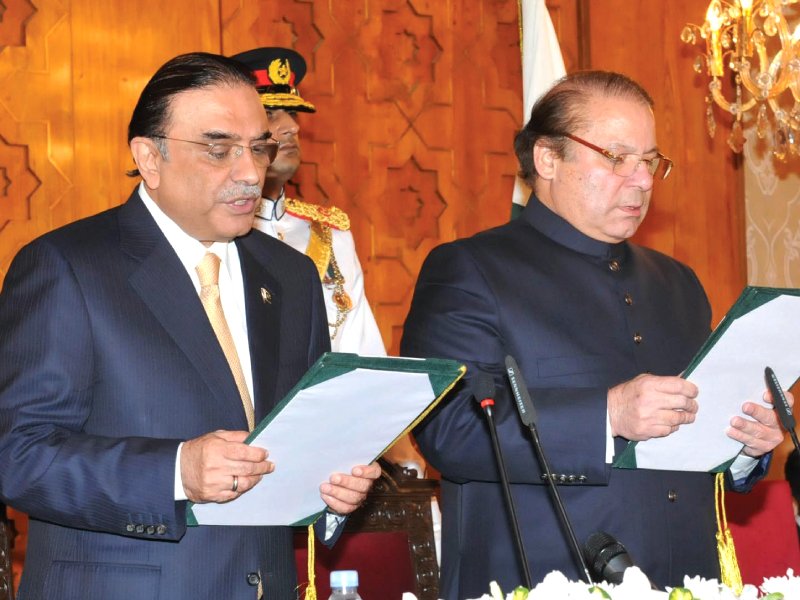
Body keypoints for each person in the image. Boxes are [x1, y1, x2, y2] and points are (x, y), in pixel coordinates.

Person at [0, 52, 380, 600]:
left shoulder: (293, 276)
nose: (250, 172)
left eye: (258, 147)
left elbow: (299, 437)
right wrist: (175, 471)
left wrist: (333, 489)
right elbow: (19, 454)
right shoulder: (69, 266)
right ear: (149, 158)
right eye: (219, 149)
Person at [401, 70, 787, 598]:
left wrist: (744, 443)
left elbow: (692, 441)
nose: (643, 180)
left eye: (649, 161)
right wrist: (607, 415)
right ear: (547, 159)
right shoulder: (470, 269)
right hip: (539, 578)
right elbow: (451, 431)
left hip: (685, 579)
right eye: (615, 158)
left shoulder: (679, 283)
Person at [230, 47, 385, 355]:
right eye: (270, 113)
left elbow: (365, 356)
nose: (292, 127)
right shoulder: (210, 232)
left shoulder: (330, 235)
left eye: (293, 114)